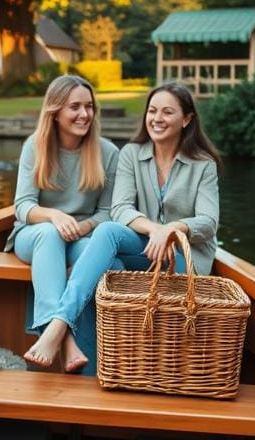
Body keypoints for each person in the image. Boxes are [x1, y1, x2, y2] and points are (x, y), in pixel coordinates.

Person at [31, 82, 223, 363]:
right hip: (144, 250)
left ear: (186, 119)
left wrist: (171, 229)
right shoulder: (131, 155)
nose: (157, 118)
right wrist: (154, 229)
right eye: (152, 111)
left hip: (182, 262)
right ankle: (89, 357)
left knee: (100, 258)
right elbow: (119, 209)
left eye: (167, 112)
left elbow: (208, 222)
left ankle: (59, 326)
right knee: (110, 255)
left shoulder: (203, 165)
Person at [5, 74, 119, 372]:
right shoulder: (35, 146)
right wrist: (54, 216)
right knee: (48, 234)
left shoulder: (107, 152)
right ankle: (65, 339)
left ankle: (95, 362)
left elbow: (109, 212)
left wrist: (80, 227)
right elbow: (23, 206)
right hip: (35, 235)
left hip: (82, 238)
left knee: (109, 266)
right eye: (75, 107)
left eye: (89, 107)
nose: (84, 114)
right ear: (55, 111)